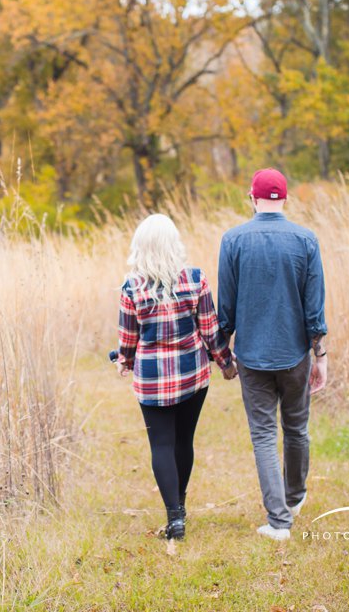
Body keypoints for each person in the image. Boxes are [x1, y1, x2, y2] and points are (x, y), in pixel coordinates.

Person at [217, 168, 328, 542]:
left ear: (252, 198)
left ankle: (279, 521)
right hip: (296, 353)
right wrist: (321, 354)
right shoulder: (305, 240)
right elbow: (315, 307)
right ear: (286, 200)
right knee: (296, 427)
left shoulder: (233, 240)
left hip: (252, 354)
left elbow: (226, 306)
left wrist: (224, 352)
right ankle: (293, 499)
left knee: (264, 435)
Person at [115, 214, 238, 540]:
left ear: (140, 246)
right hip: (192, 376)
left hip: (153, 380)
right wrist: (225, 362)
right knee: (184, 441)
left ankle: (175, 518)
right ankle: (179, 507)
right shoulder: (195, 280)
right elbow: (210, 331)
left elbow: (128, 340)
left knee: (161, 444)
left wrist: (124, 361)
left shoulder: (132, 288)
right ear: (174, 244)